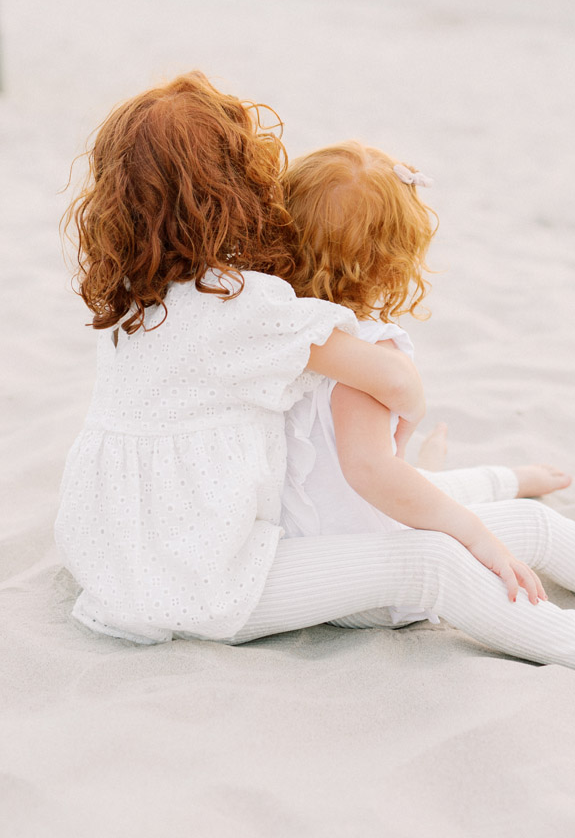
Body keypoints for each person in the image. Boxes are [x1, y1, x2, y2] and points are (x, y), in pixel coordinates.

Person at [245, 139, 575, 700]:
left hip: (320, 548)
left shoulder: (285, 329)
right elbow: (372, 472)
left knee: (482, 504)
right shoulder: (366, 353)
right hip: (372, 583)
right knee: (531, 532)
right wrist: (473, 534)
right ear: (394, 262)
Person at [55, 74, 426, 643]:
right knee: (434, 559)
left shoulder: (129, 294)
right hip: (200, 575)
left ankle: (493, 479)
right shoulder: (243, 305)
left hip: (104, 557)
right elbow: (391, 380)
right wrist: (413, 404)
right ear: (237, 184)